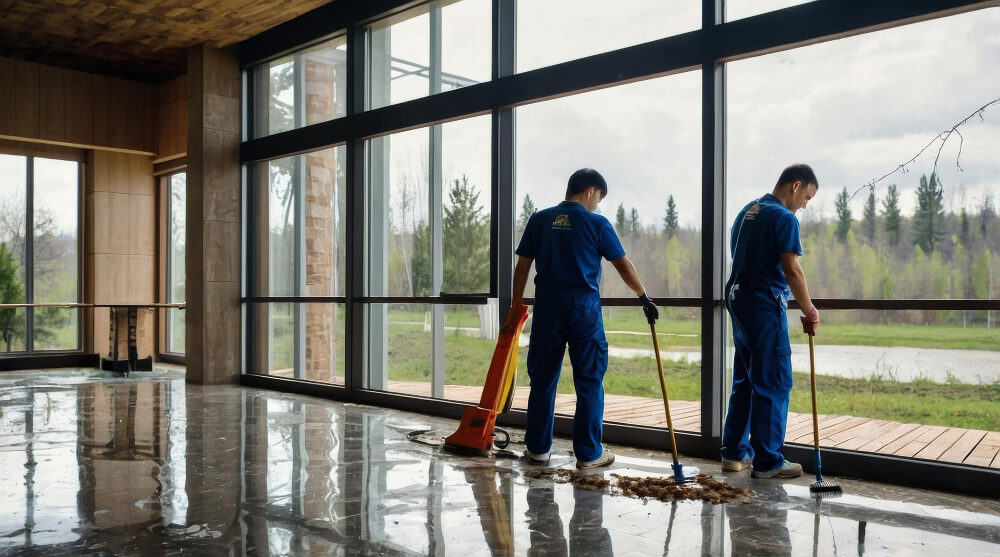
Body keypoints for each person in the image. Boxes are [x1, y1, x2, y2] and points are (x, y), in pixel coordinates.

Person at [512, 168, 658, 469]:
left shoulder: (539, 220)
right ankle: (589, 454)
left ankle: (538, 450)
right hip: (583, 312)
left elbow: (522, 268)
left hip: (548, 311)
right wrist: (643, 296)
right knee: (589, 383)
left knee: (542, 381)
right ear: (590, 191)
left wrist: (515, 305)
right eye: (598, 198)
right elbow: (623, 265)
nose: (597, 205)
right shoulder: (596, 223)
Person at [721, 163, 820, 478]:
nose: (804, 205)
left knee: (745, 380)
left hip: (738, 300)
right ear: (795, 186)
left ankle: (734, 453)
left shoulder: (746, 212)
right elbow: (792, 269)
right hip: (764, 304)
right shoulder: (783, 218)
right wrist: (809, 309)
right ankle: (768, 461)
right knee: (774, 381)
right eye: (806, 197)